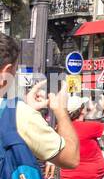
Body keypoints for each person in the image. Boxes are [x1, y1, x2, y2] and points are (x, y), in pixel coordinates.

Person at [0, 32, 79, 171]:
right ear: (4, 73)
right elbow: (71, 158)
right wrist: (61, 111)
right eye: (14, 70)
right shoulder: (20, 115)